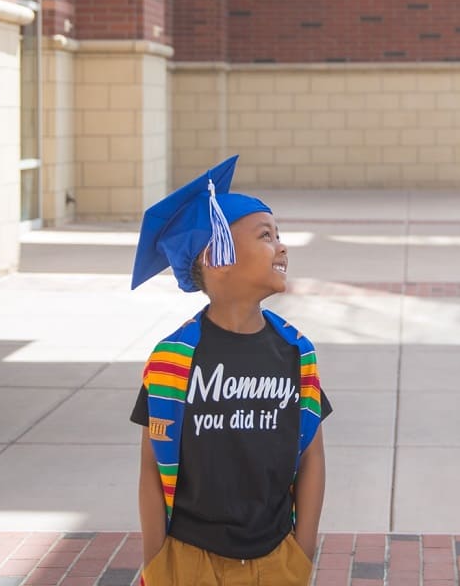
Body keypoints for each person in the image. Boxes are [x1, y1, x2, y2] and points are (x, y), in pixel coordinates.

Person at [129, 155, 330, 586]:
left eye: (278, 235)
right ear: (217, 259)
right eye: (265, 236)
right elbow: (150, 465)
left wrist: (303, 552)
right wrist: (155, 560)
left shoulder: (296, 352)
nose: (282, 246)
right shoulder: (172, 359)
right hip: (186, 562)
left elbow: (311, 451)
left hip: (276, 560)